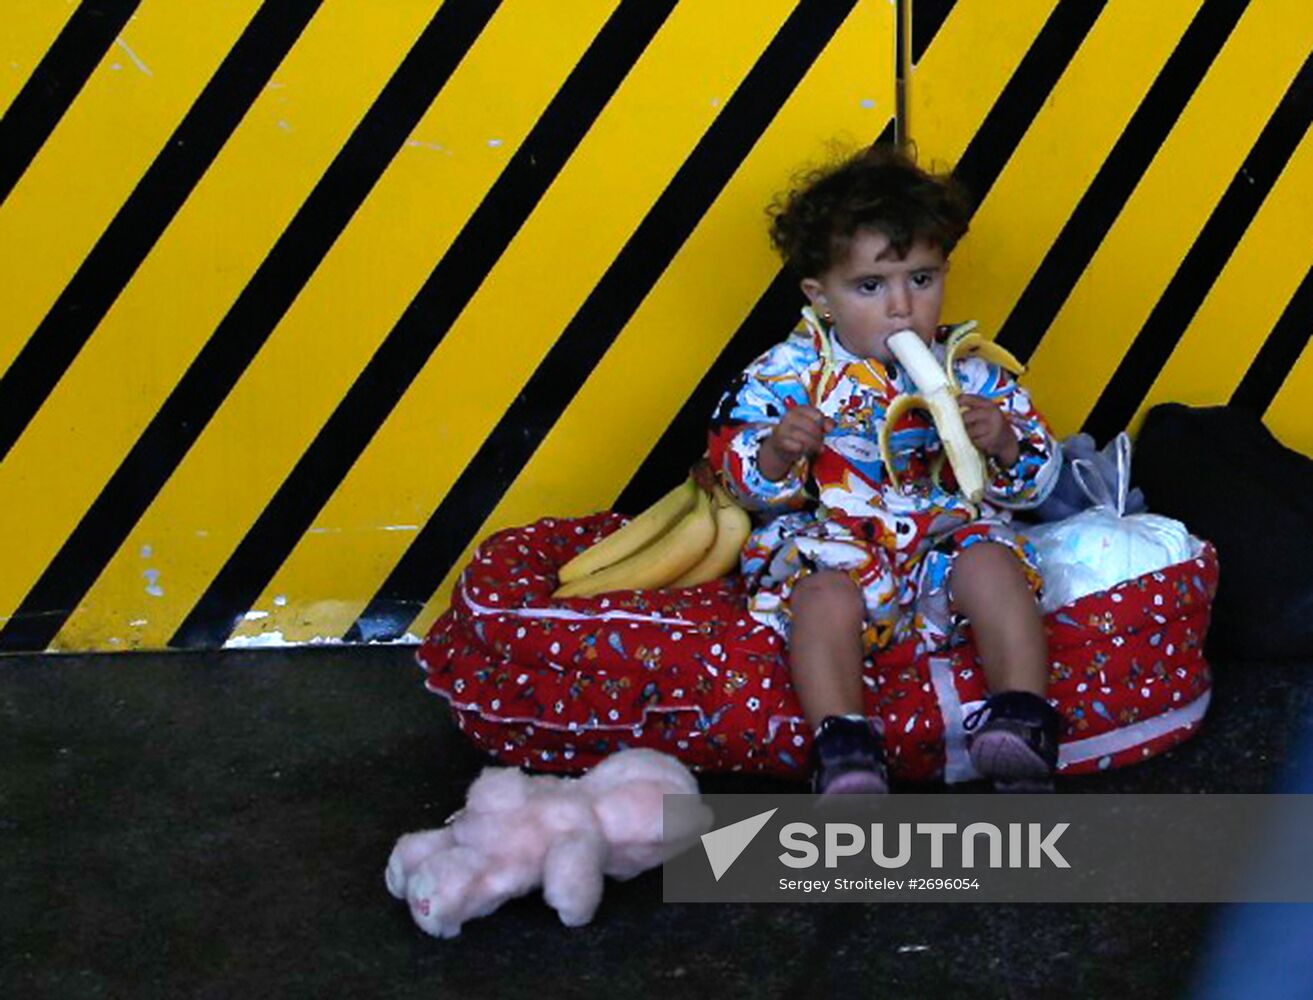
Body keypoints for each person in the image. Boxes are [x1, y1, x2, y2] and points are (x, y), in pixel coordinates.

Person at [707, 145, 1062, 795]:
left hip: (941, 540)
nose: (901, 307)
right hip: (831, 545)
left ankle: (1021, 719)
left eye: (920, 279)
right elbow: (734, 478)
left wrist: (1005, 443)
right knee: (819, 597)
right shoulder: (785, 375)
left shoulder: (975, 373)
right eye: (870, 286)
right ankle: (843, 747)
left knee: (993, 562)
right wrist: (777, 452)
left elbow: (1038, 480)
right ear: (821, 297)